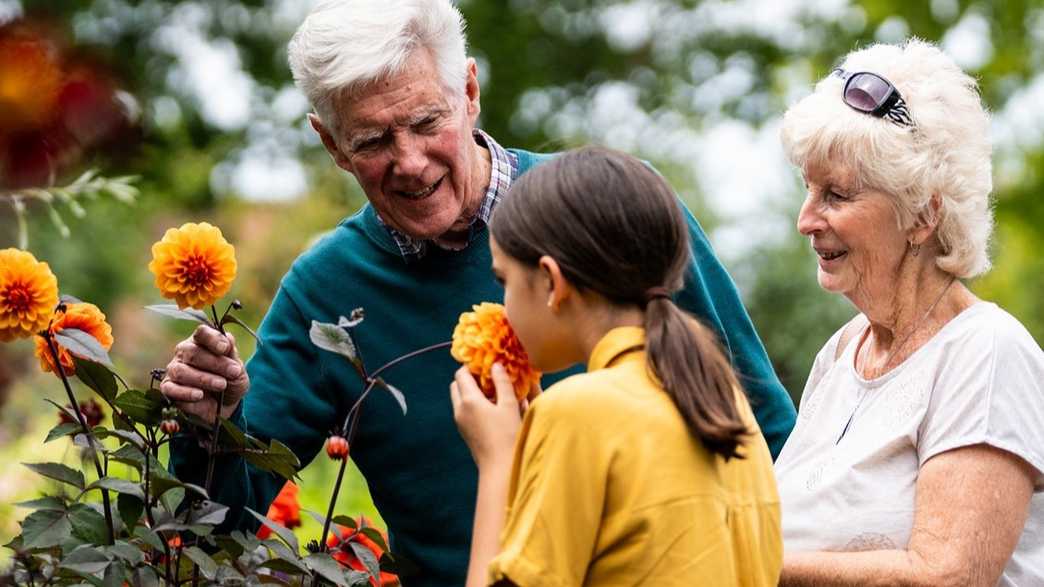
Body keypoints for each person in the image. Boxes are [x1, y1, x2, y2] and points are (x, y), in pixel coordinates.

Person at [160, 1, 795, 585]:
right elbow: (222, 531)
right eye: (373, 140)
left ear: (468, 92)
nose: (409, 161)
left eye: (425, 121)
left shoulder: (615, 211)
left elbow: (770, 438)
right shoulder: (323, 292)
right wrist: (210, 427)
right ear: (332, 146)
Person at [773, 39, 1044, 586]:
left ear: (922, 215)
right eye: (808, 189)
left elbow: (947, 577)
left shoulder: (986, 352)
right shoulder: (842, 352)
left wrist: (735, 562)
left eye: (836, 195)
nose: (806, 219)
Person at [450, 146, 782, 587]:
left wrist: (499, 465)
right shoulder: (726, 404)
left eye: (504, 280)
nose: (503, 306)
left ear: (551, 281)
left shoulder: (576, 412)